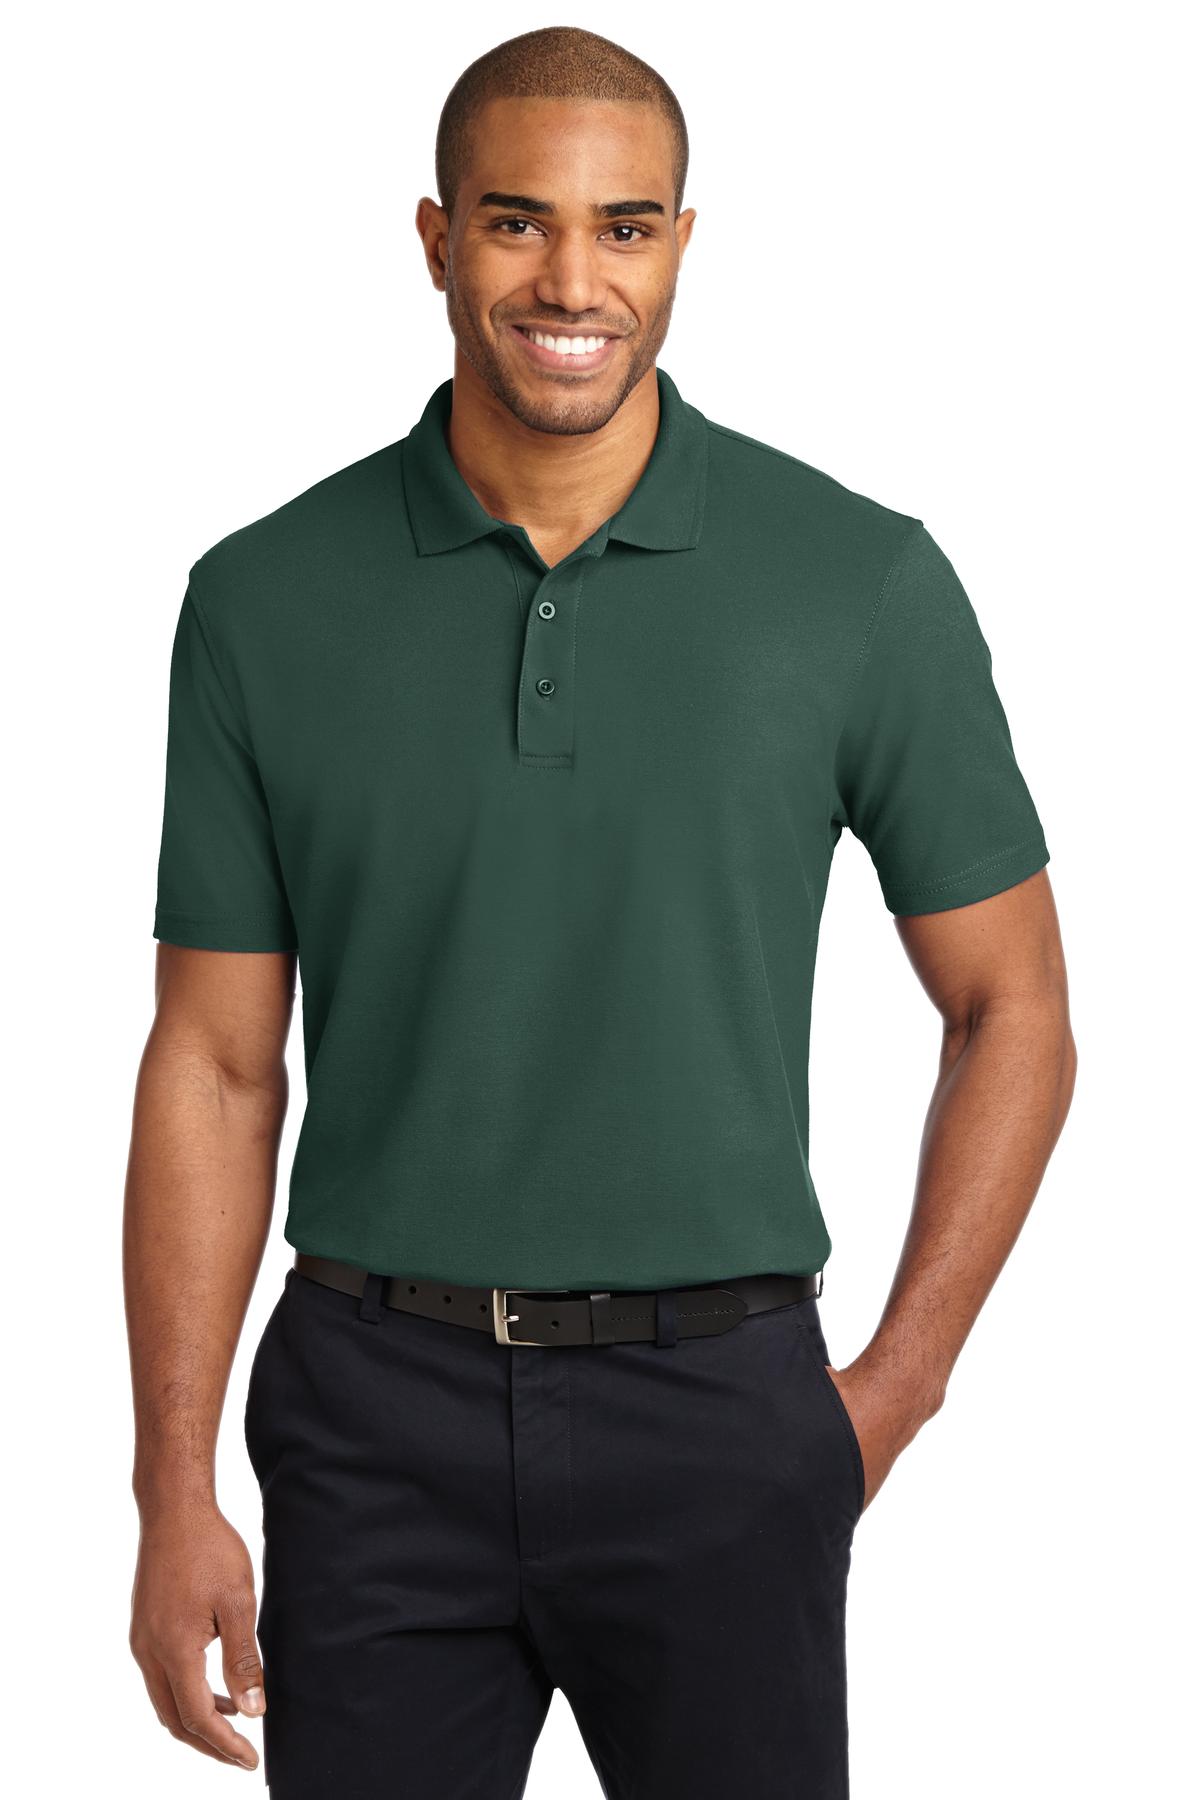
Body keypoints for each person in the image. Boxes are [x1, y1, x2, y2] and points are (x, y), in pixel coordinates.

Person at [124, 25, 1077, 1798]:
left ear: (682, 244)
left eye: (624, 227)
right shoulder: (261, 600)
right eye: (518, 222)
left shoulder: (857, 581)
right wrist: (171, 1486)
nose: (574, 281)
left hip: (724, 1405)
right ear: (435, 238)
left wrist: (892, 1392)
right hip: (370, 1416)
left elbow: (1012, 1005)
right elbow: (215, 1064)